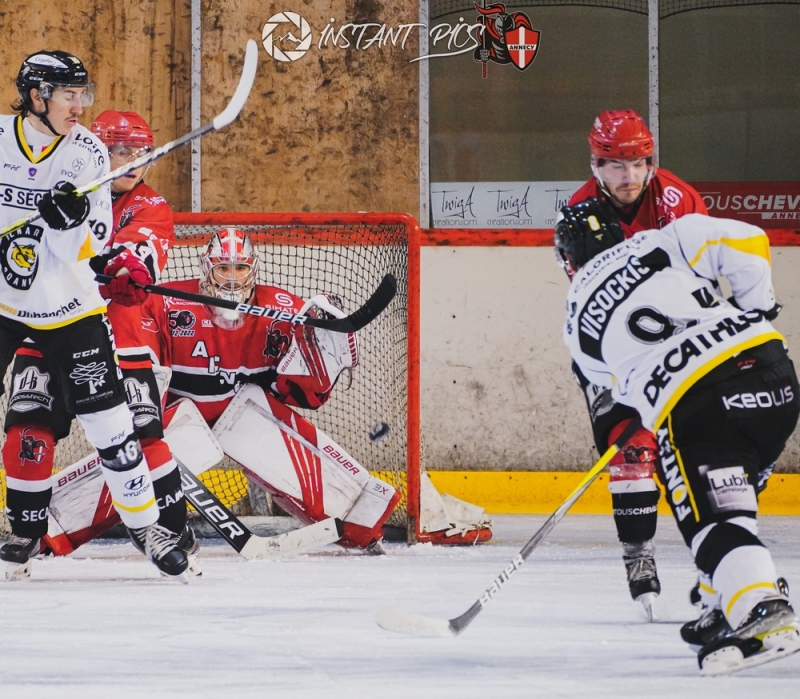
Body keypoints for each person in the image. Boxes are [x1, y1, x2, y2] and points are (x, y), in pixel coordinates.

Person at [31, 228, 402, 553]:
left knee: (256, 417)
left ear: (253, 269)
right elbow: (136, 358)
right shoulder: (165, 300)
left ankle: (361, 519)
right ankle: (51, 527)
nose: (232, 277)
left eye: (240, 268)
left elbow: (301, 396)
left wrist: (321, 354)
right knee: (136, 455)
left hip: (244, 414)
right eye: (223, 267)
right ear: (207, 267)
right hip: (177, 419)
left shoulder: (281, 309)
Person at [556, 198, 800, 674]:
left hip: (702, 404)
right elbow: (750, 241)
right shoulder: (662, 239)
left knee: (714, 521)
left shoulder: (575, 325)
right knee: (729, 502)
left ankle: (761, 612)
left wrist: (627, 426)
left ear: (569, 260)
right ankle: (723, 599)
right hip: (774, 378)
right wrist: (757, 311)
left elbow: (616, 408)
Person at [0, 51, 183, 579]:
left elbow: (94, 242)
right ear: (37, 96)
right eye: (69, 94)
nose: (80, 105)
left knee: (111, 423)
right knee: (27, 427)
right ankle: (24, 527)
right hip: (5, 303)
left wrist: (68, 220)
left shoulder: (87, 154)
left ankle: (146, 525)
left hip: (67, 309)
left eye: (84, 93)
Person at [568, 110, 709, 613]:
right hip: (611, 351)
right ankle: (638, 558)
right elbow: (589, 303)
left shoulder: (678, 200)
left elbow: (699, 285)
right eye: (615, 166)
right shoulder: (578, 211)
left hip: (682, 341)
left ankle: (716, 566)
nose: (629, 177)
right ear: (595, 164)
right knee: (630, 452)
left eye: (639, 163)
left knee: (697, 456)